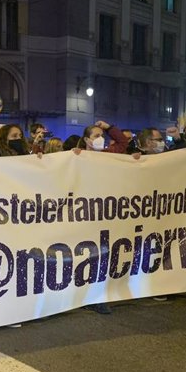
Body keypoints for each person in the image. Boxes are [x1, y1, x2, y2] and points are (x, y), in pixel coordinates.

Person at [75, 120, 128, 313]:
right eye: (96, 135)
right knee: (88, 254)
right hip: (85, 214)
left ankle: (97, 296)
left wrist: (109, 127)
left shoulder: (108, 155)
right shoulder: (77, 157)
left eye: (102, 135)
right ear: (86, 140)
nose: (101, 138)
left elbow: (122, 143)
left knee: (103, 254)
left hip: (106, 212)